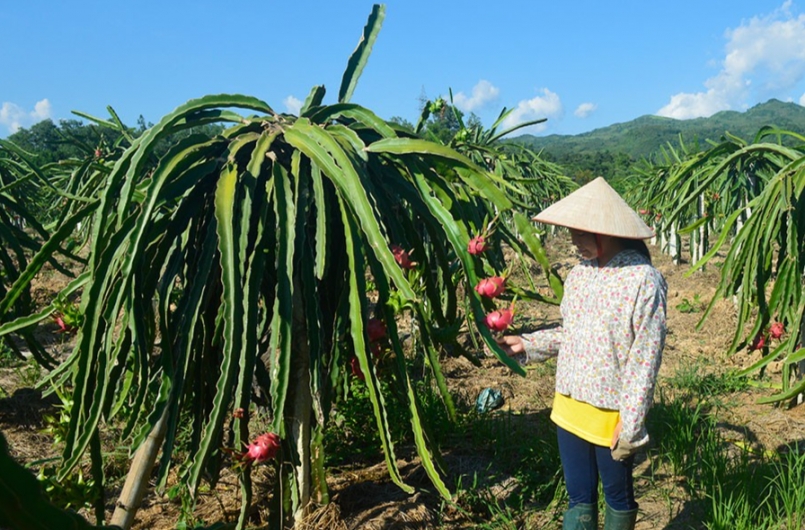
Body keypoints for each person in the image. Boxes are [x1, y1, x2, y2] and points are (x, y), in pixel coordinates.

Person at [496, 177, 667, 530]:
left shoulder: (643, 280)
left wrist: (631, 422)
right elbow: (573, 334)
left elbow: (644, 360)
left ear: (604, 231)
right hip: (569, 407)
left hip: (610, 414)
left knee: (617, 498)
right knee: (579, 500)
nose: (572, 240)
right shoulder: (580, 275)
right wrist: (527, 344)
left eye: (578, 232)